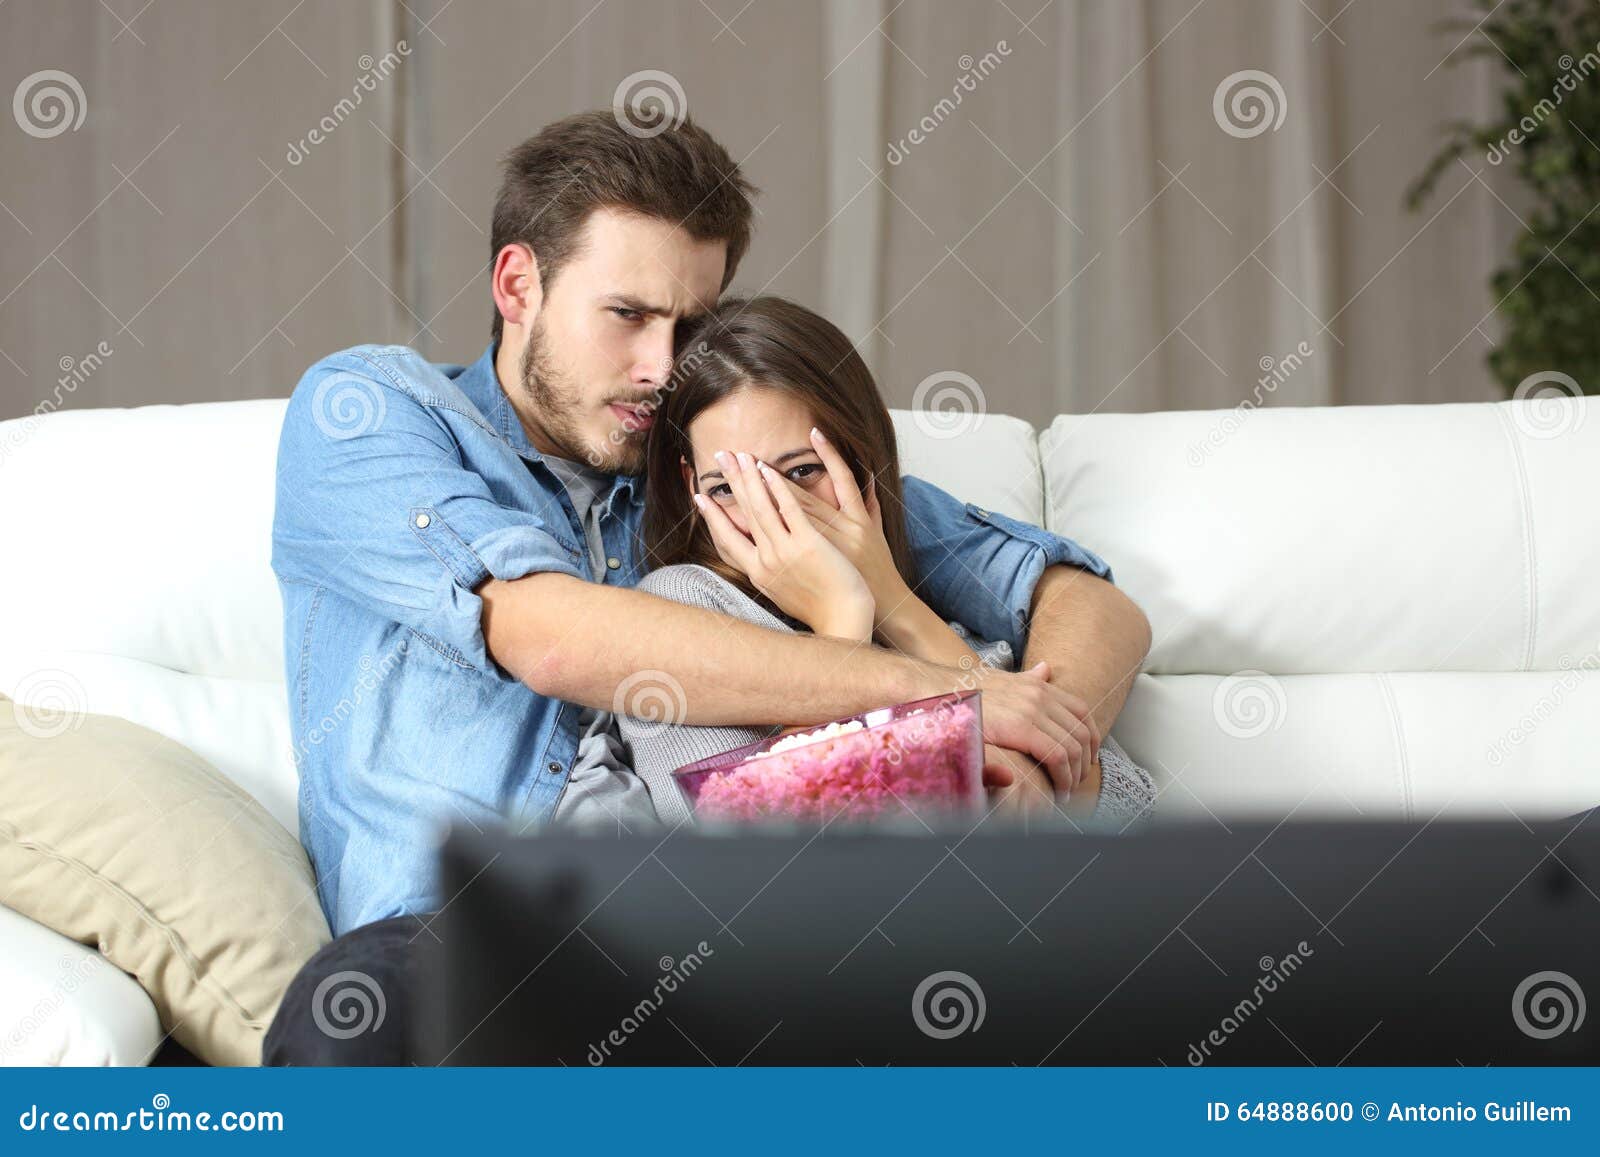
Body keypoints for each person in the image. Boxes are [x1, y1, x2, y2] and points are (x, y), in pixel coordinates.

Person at [263, 110, 1150, 1065]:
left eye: (690, 325)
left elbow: (1083, 599)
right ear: (518, 284)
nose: (660, 367)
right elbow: (545, 633)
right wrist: (956, 695)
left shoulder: (722, 466)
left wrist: (1045, 755)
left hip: (686, 945)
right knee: (355, 1017)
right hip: (456, 936)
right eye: (628, 315)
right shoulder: (374, 412)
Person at [603, 296, 1156, 828]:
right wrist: (841, 618)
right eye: (729, 486)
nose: (778, 516)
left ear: (861, 459)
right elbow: (766, 850)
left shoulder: (926, 577)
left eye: (801, 473)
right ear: (690, 482)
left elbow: (1126, 806)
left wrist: (891, 601)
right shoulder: (680, 605)